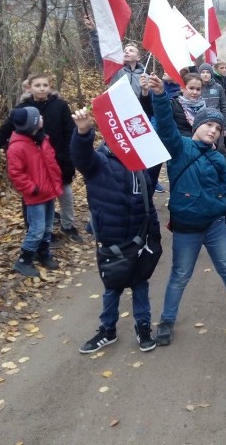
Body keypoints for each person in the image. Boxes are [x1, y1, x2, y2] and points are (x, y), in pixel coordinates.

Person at [147, 74, 226, 346]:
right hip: (186, 228)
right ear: (197, 125)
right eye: (208, 125)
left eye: (218, 128)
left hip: (214, 226)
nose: (212, 130)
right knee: (180, 275)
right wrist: (160, 96)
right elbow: (165, 126)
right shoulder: (179, 148)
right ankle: (166, 319)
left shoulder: (218, 158)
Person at [70, 108, 161, 353]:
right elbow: (80, 157)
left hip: (139, 238)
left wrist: (154, 234)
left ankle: (143, 327)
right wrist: (83, 131)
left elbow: (147, 200)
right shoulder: (98, 162)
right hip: (111, 238)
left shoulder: (139, 165)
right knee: (113, 287)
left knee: (141, 285)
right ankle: (107, 329)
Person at [0, 73, 82, 245]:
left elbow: (70, 132)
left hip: (60, 160)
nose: (42, 88)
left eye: (45, 85)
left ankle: (68, 225)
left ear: (50, 86)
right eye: (38, 85)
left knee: (65, 194)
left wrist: (68, 157)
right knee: (38, 196)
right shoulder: (23, 110)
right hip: (34, 165)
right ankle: (41, 231)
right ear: (29, 88)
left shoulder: (60, 105)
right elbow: (3, 133)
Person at [5, 107, 62, 277]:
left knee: (48, 226)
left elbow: (50, 161)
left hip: (49, 191)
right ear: (32, 124)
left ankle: (43, 253)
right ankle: (24, 260)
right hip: (36, 196)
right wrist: (32, 188)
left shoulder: (41, 139)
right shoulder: (17, 147)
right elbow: (15, 173)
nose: (42, 118)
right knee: (36, 229)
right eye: (39, 117)